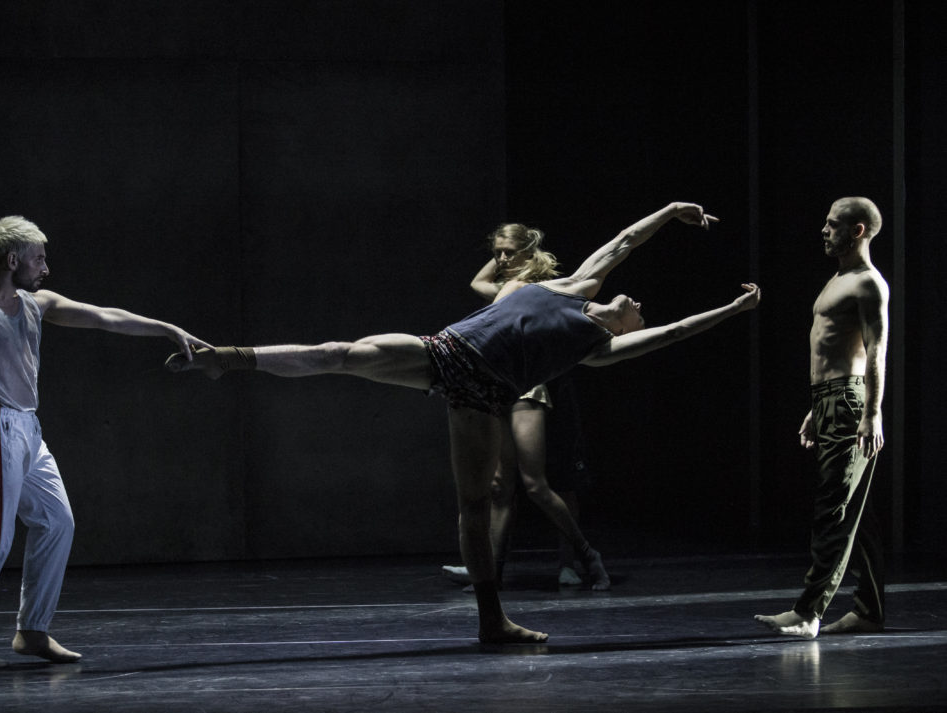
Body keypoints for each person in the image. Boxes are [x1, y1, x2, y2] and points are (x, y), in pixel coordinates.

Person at [167, 202, 761, 644]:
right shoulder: (565, 284)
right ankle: (228, 358)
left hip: (481, 398)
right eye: (638, 304)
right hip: (443, 353)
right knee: (342, 352)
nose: (639, 305)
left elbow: (677, 332)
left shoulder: (599, 348)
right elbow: (626, 241)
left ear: (627, 327)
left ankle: (490, 620)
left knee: (476, 504)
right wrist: (673, 210)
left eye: (640, 314)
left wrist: (731, 311)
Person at [0, 216, 211, 669]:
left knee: (57, 522)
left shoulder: (38, 303)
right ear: (12, 260)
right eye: (39, 258)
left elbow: (105, 318)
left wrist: (168, 329)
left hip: (28, 431)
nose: (46, 268)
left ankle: (32, 631)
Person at [443, 224, 610, 591]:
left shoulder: (546, 289)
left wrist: (525, 257)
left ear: (529, 252)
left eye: (508, 252)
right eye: (497, 251)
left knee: (538, 484)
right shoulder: (507, 288)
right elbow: (478, 284)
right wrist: (506, 253)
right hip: (500, 386)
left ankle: (583, 557)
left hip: (534, 387)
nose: (501, 259)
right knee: (501, 486)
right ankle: (490, 572)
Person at [755, 197, 889, 640]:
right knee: (856, 514)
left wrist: (871, 413)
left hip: (852, 405)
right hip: (831, 400)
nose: (823, 230)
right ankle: (868, 611)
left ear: (857, 231)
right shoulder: (838, 280)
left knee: (832, 511)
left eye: (833, 225)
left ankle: (808, 611)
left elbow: (875, 353)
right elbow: (836, 350)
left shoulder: (868, 284)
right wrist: (817, 406)